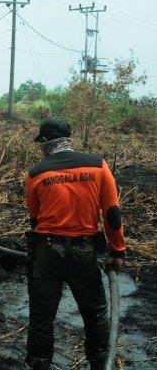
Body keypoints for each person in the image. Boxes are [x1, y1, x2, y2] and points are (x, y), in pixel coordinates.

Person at [24, 118, 126, 370]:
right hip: (84, 251)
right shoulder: (98, 166)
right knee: (94, 314)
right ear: (68, 139)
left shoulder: (35, 174)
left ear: (46, 142)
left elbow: (34, 218)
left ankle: (39, 363)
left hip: (47, 251)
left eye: (42, 143)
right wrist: (117, 251)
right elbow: (112, 214)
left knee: (42, 315)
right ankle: (100, 363)